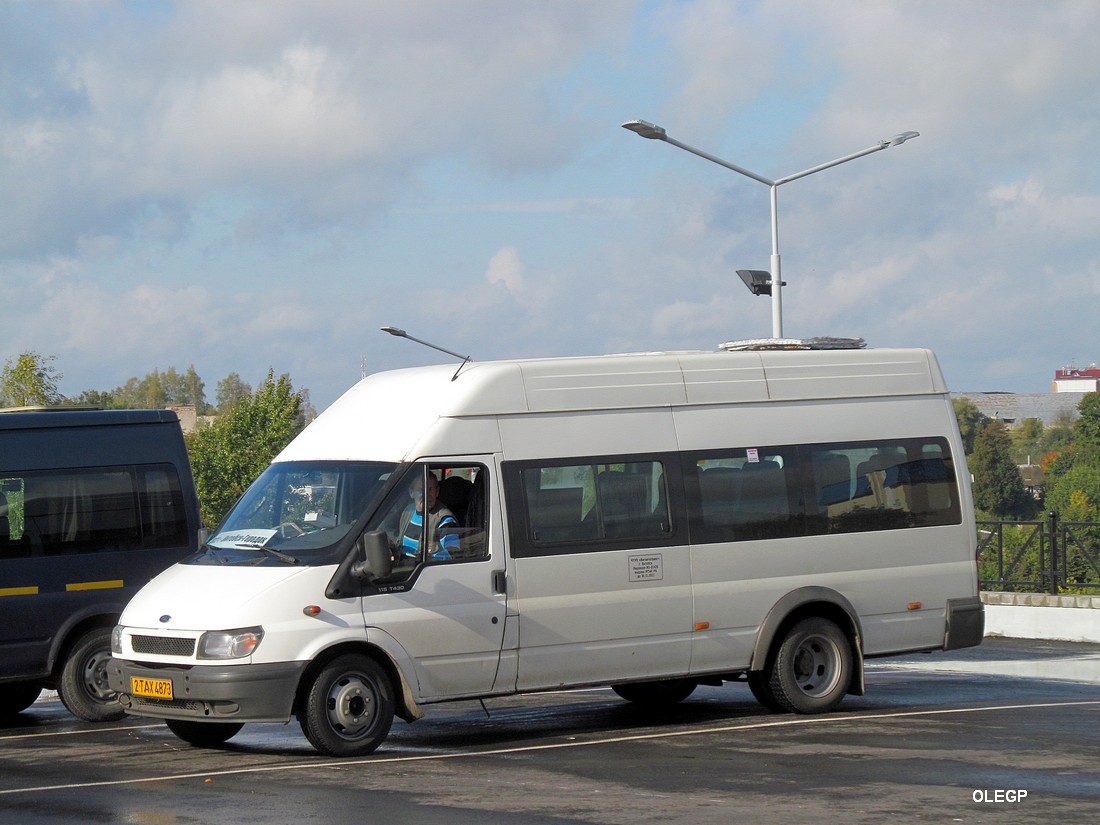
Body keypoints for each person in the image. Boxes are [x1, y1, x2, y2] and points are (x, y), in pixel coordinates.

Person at [397, 472, 460, 561]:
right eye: (421, 489)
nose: (426, 494)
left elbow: (453, 556)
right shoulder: (407, 512)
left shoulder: (445, 520)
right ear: (411, 492)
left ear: (437, 492)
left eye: (430, 489)